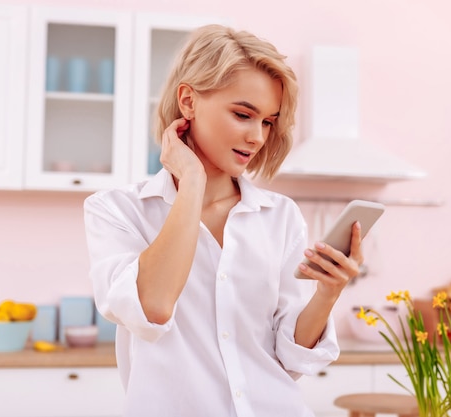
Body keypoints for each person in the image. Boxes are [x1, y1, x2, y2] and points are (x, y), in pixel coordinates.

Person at [84, 24, 364, 417]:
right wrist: (192, 182)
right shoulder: (117, 211)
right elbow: (154, 308)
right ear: (188, 101)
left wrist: (328, 293)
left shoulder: (280, 217)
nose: (257, 137)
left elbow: (291, 356)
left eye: (268, 121)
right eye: (243, 114)